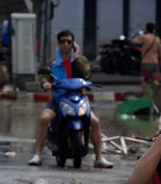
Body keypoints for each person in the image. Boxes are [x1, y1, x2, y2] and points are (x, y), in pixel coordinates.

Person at [29, 30, 112, 169]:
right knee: (44, 119)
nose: (66, 44)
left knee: (95, 121)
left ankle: (99, 158)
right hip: (58, 100)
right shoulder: (53, 63)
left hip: (78, 99)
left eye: (69, 41)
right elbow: (44, 78)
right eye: (63, 41)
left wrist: (77, 57)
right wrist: (45, 84)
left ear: (73, 43)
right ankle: (37, 155)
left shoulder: (79, 60)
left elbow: (87, 74)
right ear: (58, 43)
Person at [133, 22, 161, 96]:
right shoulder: (157, 39)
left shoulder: (144, 37)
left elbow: (134, 41)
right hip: (155, 64)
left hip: (145, 64)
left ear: (146, 28)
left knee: (143, 79)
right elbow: (160, 52)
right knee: (156, 80)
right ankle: (156, 96)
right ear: (153, 30)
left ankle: (145, 95)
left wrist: (139, 35)